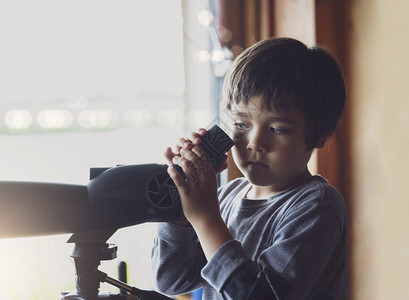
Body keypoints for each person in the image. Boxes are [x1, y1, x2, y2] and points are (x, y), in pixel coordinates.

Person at [151, 37, 347, 299]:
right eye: (242, 125)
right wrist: (182, 215)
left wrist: (205, 218)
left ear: (319, 134)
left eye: (277, 129)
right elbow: (170, 281)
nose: (255, 143)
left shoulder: (317, 206)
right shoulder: (227, 196)